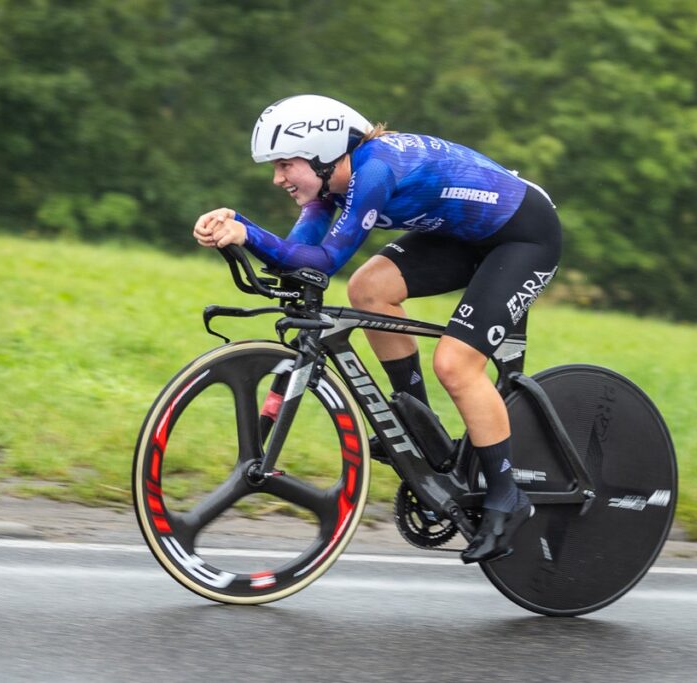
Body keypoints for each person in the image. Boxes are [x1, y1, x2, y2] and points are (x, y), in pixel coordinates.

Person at [193, 94, 561, 563]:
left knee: (455, 364)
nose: (277, 178)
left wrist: (247, 229)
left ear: (323, 153)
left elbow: (324, 262)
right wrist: (231, 232)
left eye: (285, 164)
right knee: (368, 289)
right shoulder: (329, 188)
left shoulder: (373, 172)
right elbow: (297, 260)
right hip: (464, 236)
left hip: (523, 237)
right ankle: (422, 433)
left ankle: (508, 496)